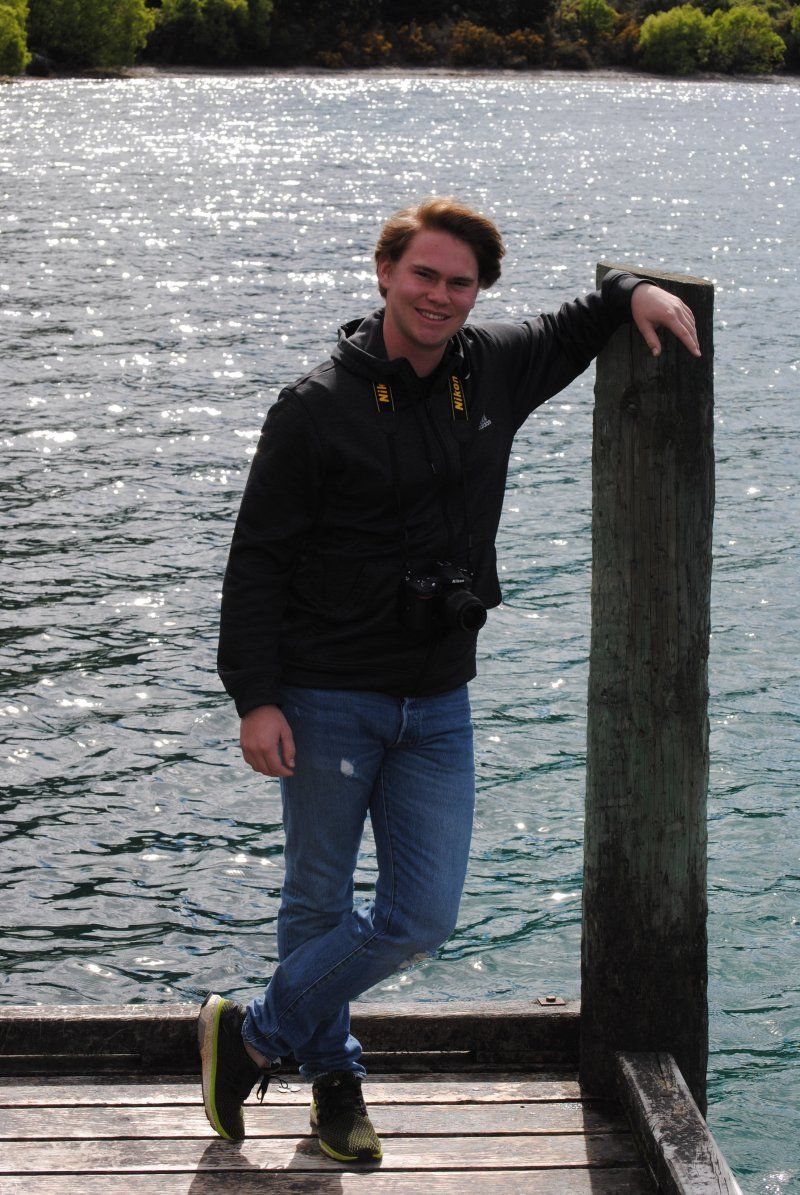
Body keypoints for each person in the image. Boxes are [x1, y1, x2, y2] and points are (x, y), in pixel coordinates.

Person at [199, 197, 700, 1162]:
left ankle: (254, 1030)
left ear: (478, 293)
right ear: (385, 273)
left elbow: (581, 322)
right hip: (326, 692)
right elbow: (256, 560)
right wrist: (255, 697)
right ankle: (333, 1078)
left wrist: (635, 290)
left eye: (459, 282)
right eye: (423, 274)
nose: (438, 295)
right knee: (318, 897)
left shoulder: (493, 368)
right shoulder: (315, 407)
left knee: (421, 912)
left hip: (438, 698)